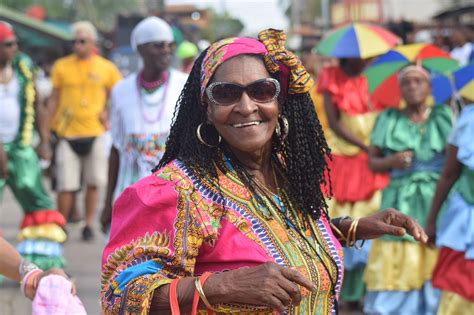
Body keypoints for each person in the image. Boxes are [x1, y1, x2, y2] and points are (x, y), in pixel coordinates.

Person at [101, 29, 428, 314]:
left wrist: (352, 228)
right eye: (226, 93)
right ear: (207, 107)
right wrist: (221, 286)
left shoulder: (286, 174)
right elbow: (117, 294)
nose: (246, 107)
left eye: (261, 90)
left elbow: (277, 233)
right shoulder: (174, 192)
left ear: (279, 101)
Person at [364, 65, 452, 314]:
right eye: (406, 82)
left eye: (418, 81)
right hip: (401, 197)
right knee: (399, 244)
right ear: (400, 89)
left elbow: (455, 162)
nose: (412, 87)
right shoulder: (388, 118)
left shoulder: (443, 115)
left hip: (438, 197)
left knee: (436, 247)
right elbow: (372, 162)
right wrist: (391, 162)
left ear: (429, 87)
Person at [100, 17, 188, 233]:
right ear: (140, 48)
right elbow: (116, 150)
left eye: (170, 45)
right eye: (158, 45)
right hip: (131, 196)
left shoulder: (185, 85)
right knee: (127, 259)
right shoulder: (121, 91)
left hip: (173, 196)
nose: (166, 51)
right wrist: (107, 203)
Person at [317, 57, 391, 307]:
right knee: (338, 221)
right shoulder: (331, 76)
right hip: (341, 158)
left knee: (372, 217)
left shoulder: (372, 78)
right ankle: (340, 290)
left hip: (368, 159)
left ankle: (363, 291)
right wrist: (363, 146)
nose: (366, 61)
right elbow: (335, 124)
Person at [0, 21, 67, 271]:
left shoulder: (24, 67)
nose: (14, 48)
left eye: (15, 43)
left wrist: (44, 142)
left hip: (21, 147)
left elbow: (38, 104)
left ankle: (42, 262)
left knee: (40, 204)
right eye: (8, 45)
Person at [49, 21, 122, 240]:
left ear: (92, 43)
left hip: (96, 132)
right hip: (67, 133)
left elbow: (119, 96)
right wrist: (47, 132)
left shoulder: (106, 67)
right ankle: (61, 226)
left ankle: (87, 224)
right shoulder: (61, 66)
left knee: (93, 182)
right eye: (74, 41)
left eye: (81, 41)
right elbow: (53, 99)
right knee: (66, 184)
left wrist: (107, 114)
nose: (77, 45)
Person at [426, 103, 474, 314]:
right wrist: (431, 220)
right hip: (465, 218)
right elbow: (449, 174)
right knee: (459, 284)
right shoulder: (468, 118)